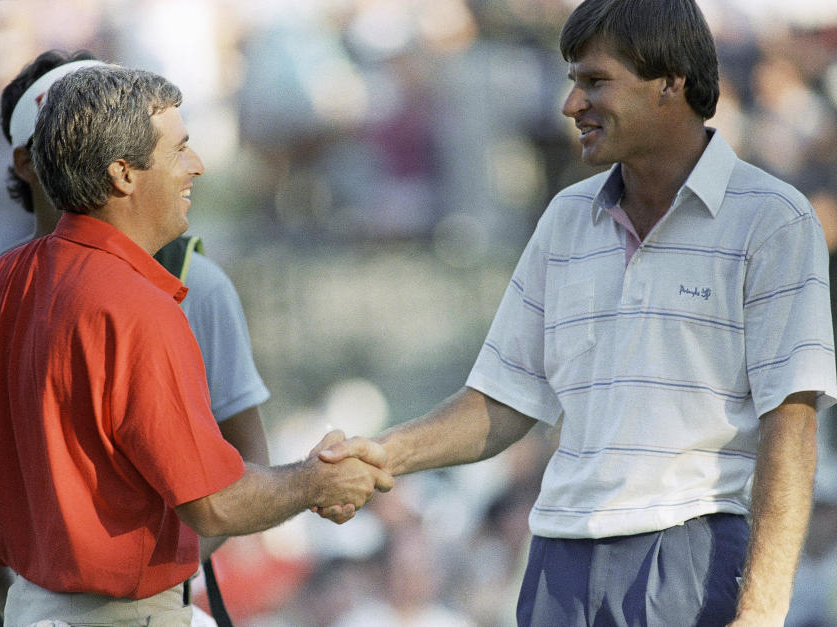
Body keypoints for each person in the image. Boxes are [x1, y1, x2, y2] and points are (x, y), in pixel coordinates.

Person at [316, 1, 837, 625]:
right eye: (572, 83)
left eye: (594, 81)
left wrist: (760, 612)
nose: (571, 105)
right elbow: (503, 402)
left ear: (670, 82)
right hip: (557, 562)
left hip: (690, 558)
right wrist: (381, 454)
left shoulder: (773, 218)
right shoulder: (566, 217)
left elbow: (792, 426)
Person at [0, 63, 391, 626]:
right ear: (123, 173)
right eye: (180, 149)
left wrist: (5, 591)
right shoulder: (136, 306)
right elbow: (212, 504)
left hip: (29, 608)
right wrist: (316, 481)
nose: (197, 165)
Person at [0, 50, 266, 626]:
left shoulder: (193, 280)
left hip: (129, 600)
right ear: (26, 162)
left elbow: (243, 453)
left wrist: (171, 570)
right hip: (0, 598)